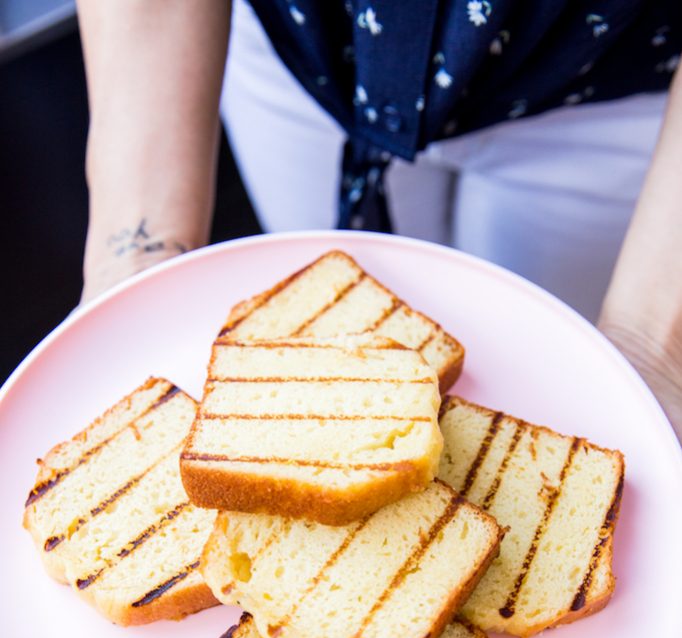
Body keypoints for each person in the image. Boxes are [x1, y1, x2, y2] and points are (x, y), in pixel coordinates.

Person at [76, 1, 681, 437]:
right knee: (321, 326)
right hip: (309, 60)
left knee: (569, 390)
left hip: (611, 99)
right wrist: (135, 259)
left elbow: (643, 361)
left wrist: (653, 348)